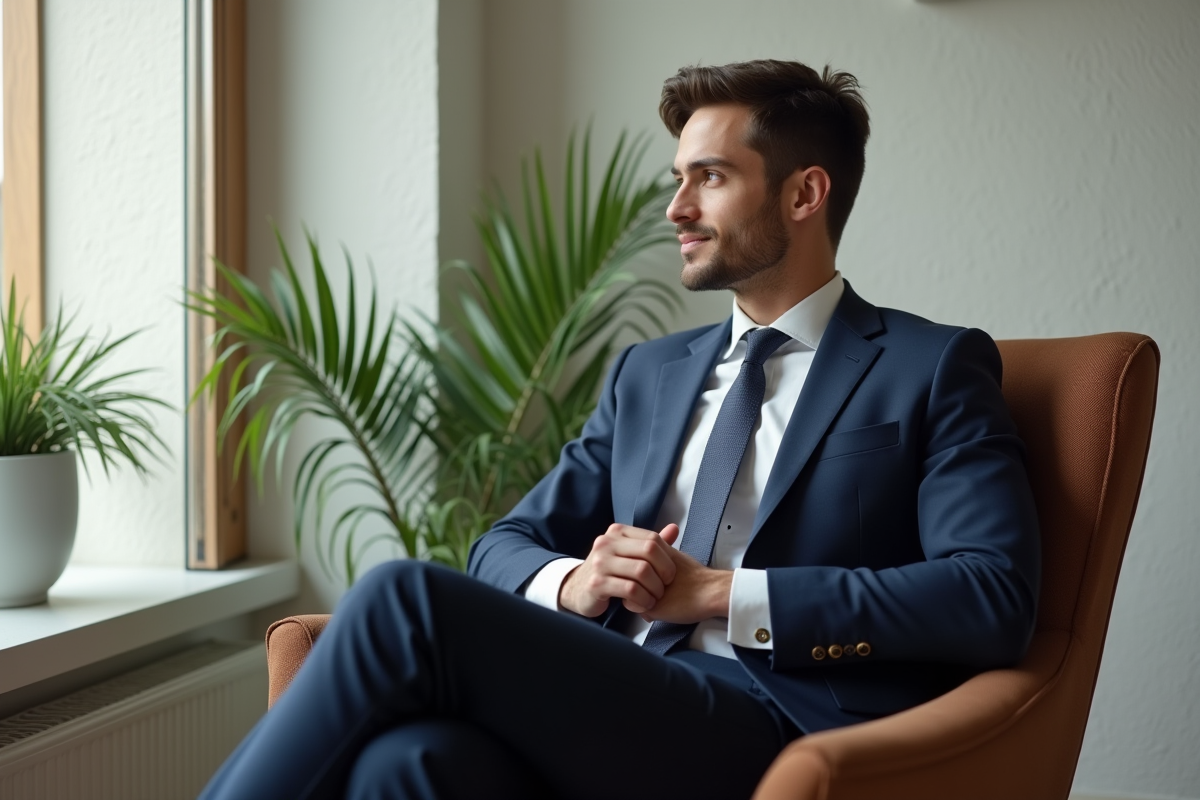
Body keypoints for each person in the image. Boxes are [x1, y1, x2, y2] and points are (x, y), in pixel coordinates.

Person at [200, 59, 1040, 800]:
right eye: (679, 177)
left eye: (708, 177)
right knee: (412, 762)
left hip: (782, 720)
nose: (676, 207)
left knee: (402, 595)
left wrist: (719, 593)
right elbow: (505, 544)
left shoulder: (930, 366)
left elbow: (990, 593)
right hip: (621, 694)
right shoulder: (652, 374)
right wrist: (579, 580)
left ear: (803, 193)